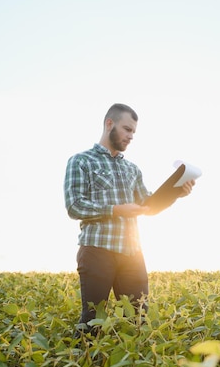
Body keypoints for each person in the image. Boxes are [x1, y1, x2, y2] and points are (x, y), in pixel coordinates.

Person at [63, 103, 195, 339]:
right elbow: (74, 206)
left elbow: (149, 207)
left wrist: (176, 192)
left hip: (133, 253)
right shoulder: (81, 161)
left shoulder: (132, 169)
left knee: (137, 321)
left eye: (134, 132)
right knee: (93, 321)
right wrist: (116, 210)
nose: (131, 136)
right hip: (96, 251)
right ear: (109, 124)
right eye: (127, 129)